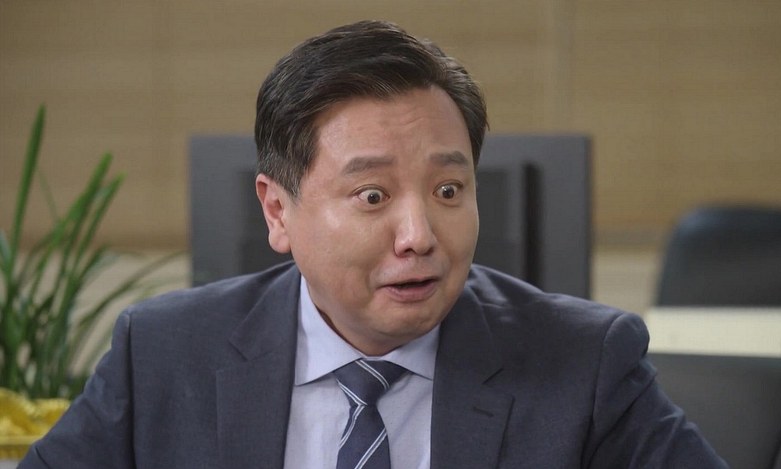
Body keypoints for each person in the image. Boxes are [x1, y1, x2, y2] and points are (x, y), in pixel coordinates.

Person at [20, 20, 727, 468]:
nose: (419, 237)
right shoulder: (163, 354)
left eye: (448, 190)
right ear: (277, 210)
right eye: (372, 196)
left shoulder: (584, 365)